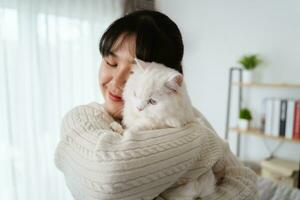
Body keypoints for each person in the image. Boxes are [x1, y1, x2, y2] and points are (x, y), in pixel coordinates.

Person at [55, 10, 258, 200]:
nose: (116, 82)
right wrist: (206, 142)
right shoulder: (82, 119)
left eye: (134, 72)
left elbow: (247, 182)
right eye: (111, 63)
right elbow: (106, 179)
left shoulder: (193, 114)